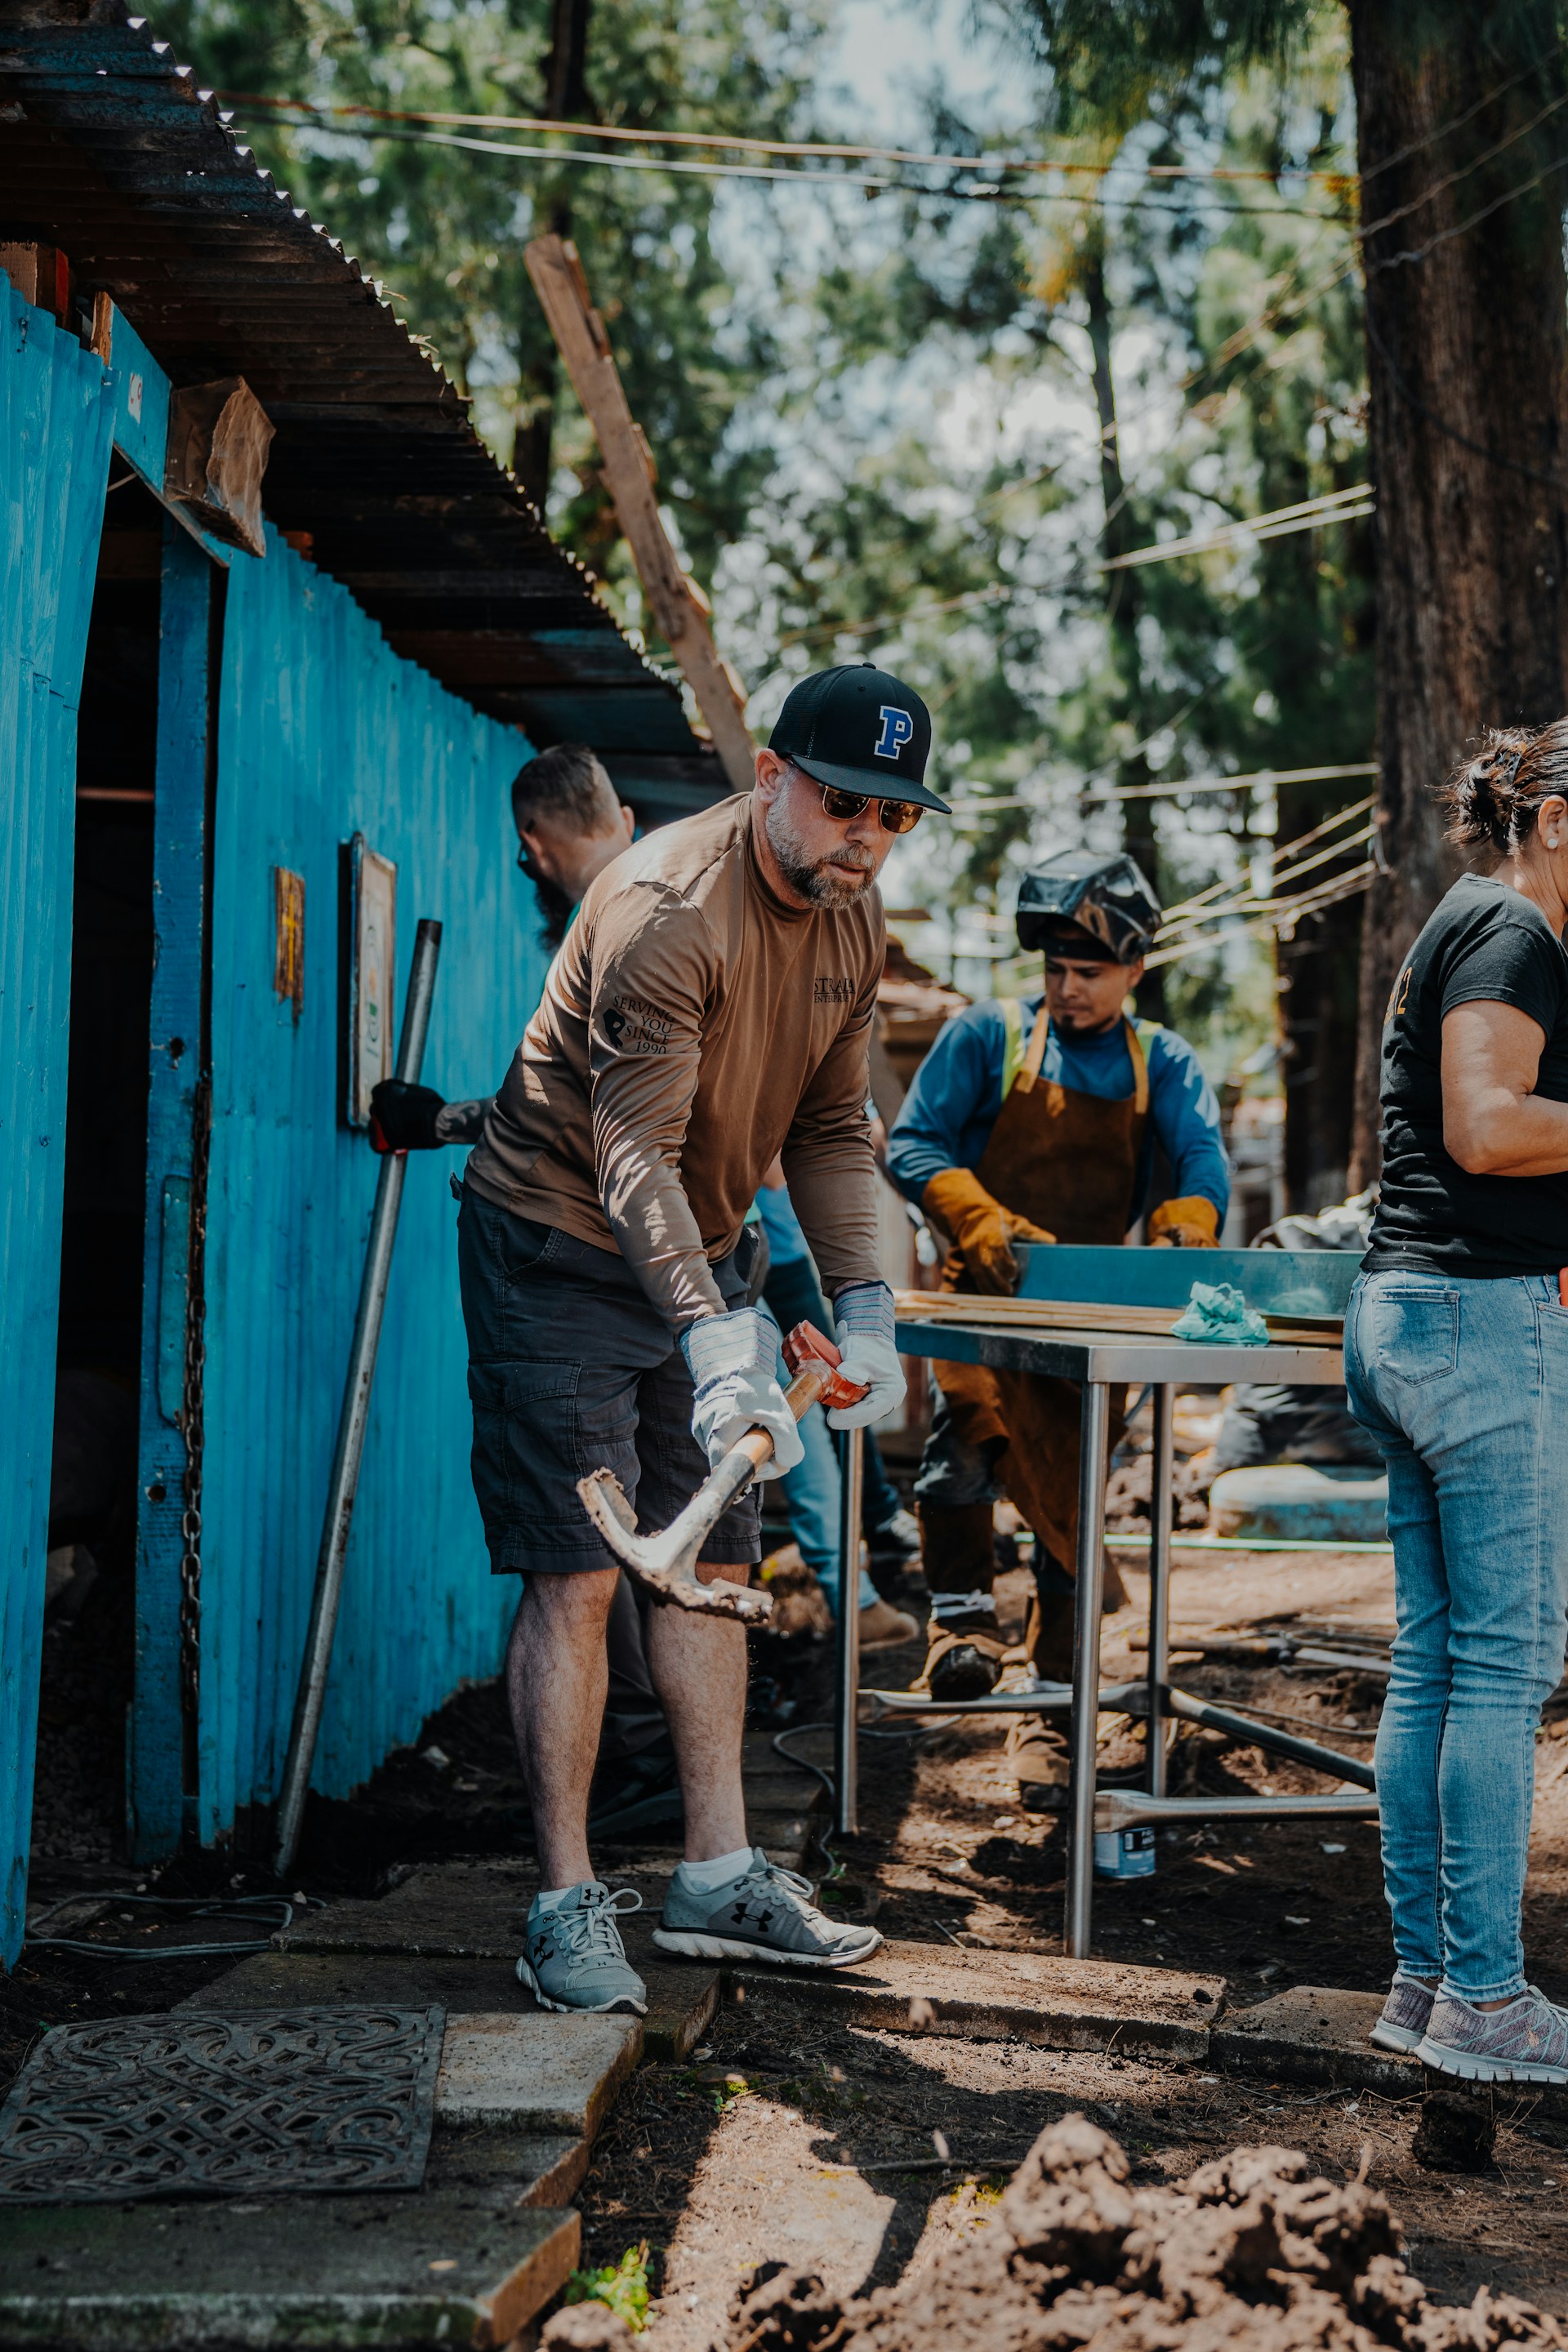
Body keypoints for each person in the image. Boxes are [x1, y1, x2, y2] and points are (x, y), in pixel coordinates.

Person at [455, 662, 948, 2015]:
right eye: (846, 802)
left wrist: (859, 1302)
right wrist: (714, 1337)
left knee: (713, 1565)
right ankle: (564, 1905)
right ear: (774, 777)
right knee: (581, 1570)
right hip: (558, 1240)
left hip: (699, 1244)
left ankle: (718, 1874)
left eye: (895, 817)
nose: (867, 836)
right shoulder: (669, 906)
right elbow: (629, 1154)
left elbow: (838, 1133)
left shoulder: (853, 920)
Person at [885, 849, 1228, 1805]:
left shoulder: (1161, 1062)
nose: (1068, 989)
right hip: (987, 1300)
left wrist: (1187, 1223)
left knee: (1069, 1517)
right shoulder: (986, 1037)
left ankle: (1052, 1721)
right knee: (959, 1464)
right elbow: (909, 1143)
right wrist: (976, 1215)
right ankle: (958, 1630)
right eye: (1056, 971)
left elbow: (1202, 1163)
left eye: (1090, 973)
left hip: (1093, 1318)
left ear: (1134, 973)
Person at [1349, 725, 1568, 2086]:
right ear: (1555, 822)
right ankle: (1486, 2001)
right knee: (1503, 1667)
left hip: (1418, 1314)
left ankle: (1429, 1985)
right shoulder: (1514, 932)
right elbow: (1487, 1125)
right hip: (1473, 1321)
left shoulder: (1471, 920)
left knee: (1437, 1662)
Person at [370, 743, 635, 1152]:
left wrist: (431, 1121)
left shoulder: (596, 929)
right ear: (626, 820)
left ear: (534, 847)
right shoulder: (682, 900)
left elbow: (566, 1108)